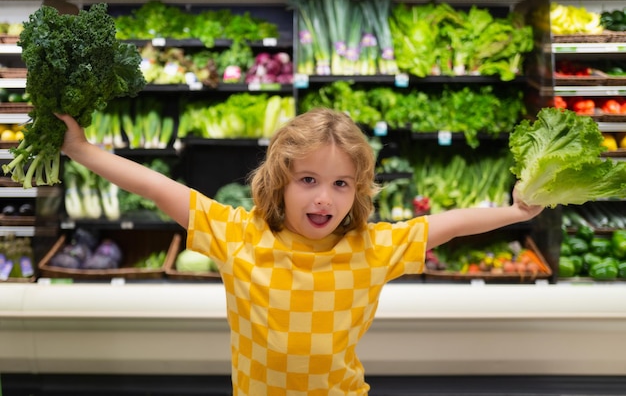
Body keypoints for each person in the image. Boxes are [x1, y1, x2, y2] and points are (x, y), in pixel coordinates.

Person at [57, 108, 543, 396]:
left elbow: (448, 225)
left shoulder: (372, 247)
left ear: (359, 191)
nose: (323, 198)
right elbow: (157, 187)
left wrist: (515, 212)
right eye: (307, 180)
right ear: (278, 182)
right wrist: (82, 150)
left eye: (340, 184)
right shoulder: (238, 234)